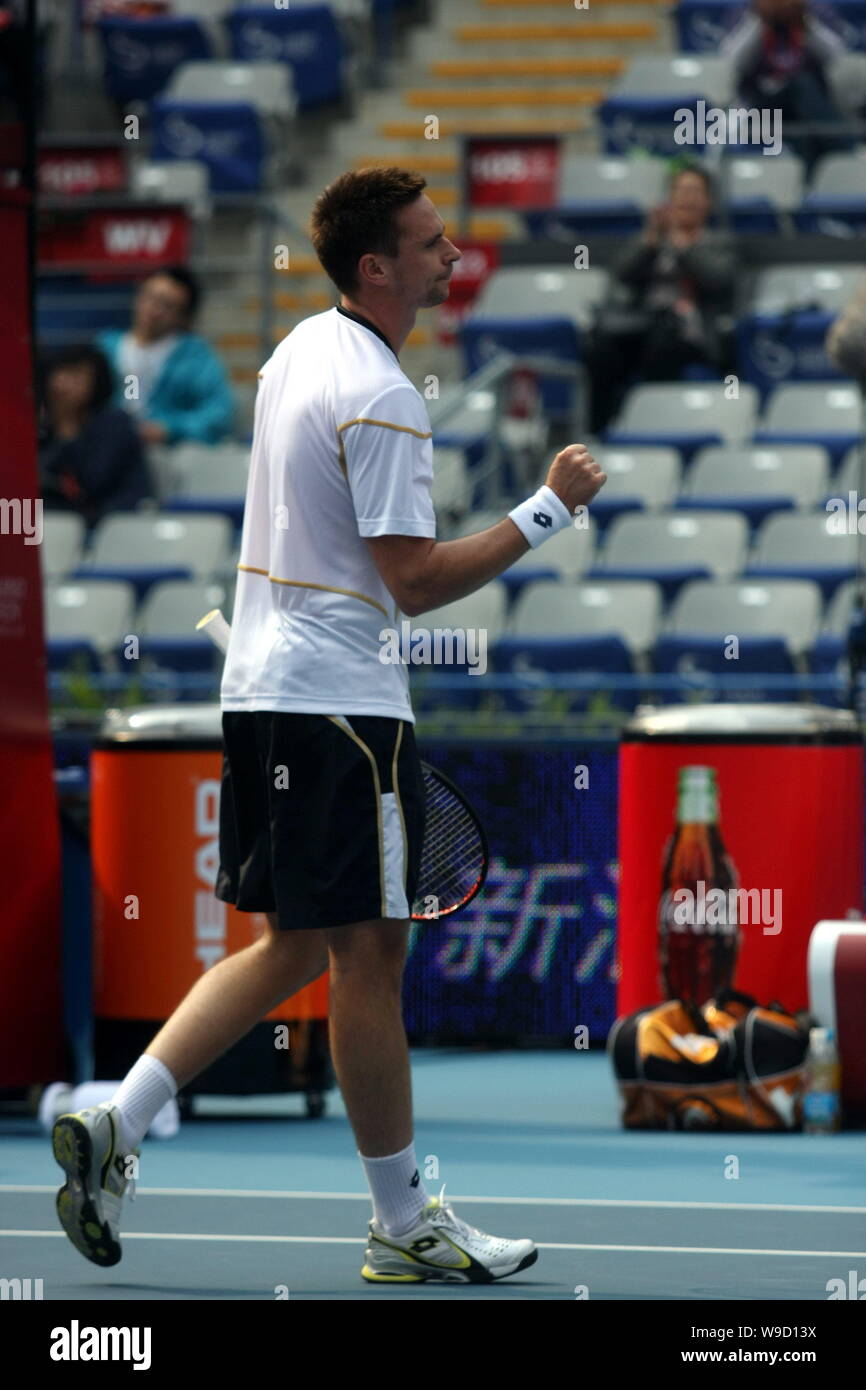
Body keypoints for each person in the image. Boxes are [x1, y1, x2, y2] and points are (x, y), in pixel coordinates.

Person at [51, 166, 606, 1287]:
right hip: (340, 707)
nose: (451, 256)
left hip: (262, 688)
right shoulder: (385, 394)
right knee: (370, 954)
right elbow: (410, 579)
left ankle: (121, 1113)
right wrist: (544, 511)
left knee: (292, 944)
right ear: (377, 267)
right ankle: (403, 1219)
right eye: (431, 242)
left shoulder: (301, 348)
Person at [586, 165, 736, 434]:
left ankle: (653, 429)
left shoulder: (720, 243)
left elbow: (718, 280)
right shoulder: (650, 241)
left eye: (694, 192)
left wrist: (681, 244)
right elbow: (622, 274)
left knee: (661, 344)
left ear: (708, 202)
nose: (686, 199)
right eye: (680, 191)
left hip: (691, 331)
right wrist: (650, 242)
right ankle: (597, 433)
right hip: (639, 324)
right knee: (600, 350)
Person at [96, 266, 235, 447]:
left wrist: (169, 429)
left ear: (183, 317)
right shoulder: (106, 347)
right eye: (149, 298)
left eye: (167, 305)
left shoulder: (197, 358)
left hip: (166, 456)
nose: (153, 310)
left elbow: (219, 413)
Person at [722, 0, 853, 173]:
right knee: (801, 87)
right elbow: (733, 60)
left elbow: (835, 55)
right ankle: (847, 150)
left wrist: (805, 22)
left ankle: (808, 190)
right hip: (761, 104)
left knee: (804, 136)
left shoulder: (814, 10)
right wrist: (759, 20)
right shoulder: (744, 12)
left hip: (805, 109)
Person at [38, 343, 153, 528]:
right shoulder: (43, 426)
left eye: (76, 375)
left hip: (112, 521)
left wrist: (68, 430)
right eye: (59, 373)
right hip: (56, 522)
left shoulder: (115, 424)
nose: (62, 383)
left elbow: (93, 482)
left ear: (97, 381)